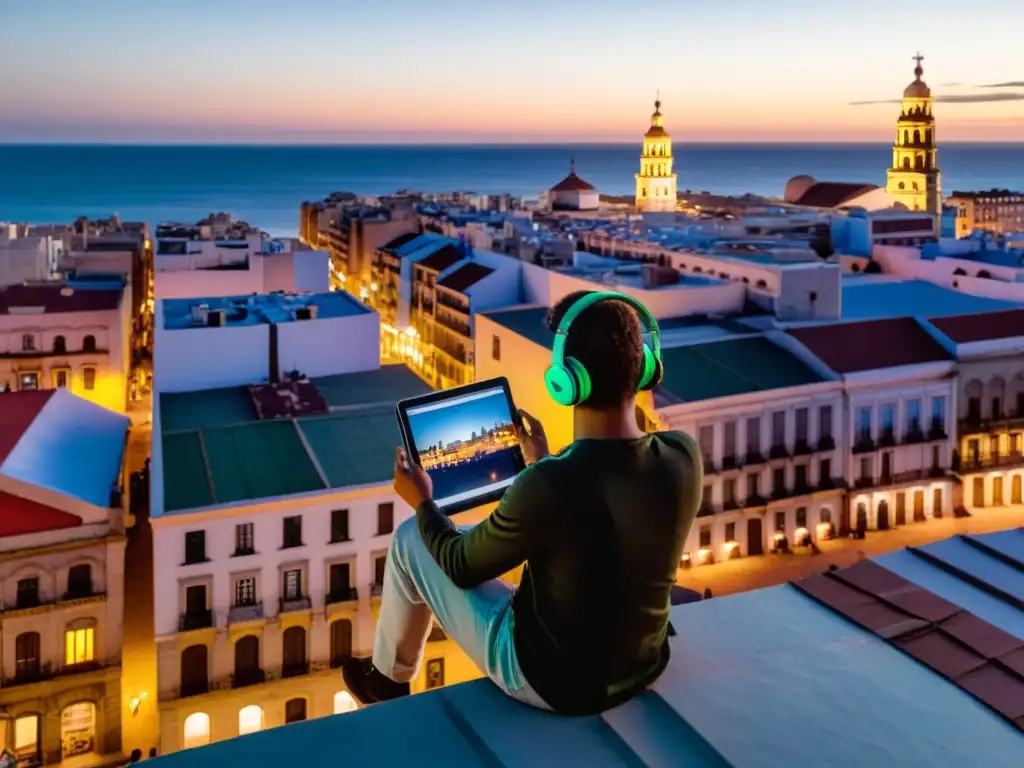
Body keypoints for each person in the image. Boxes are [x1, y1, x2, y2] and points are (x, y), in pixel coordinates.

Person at [343, 290, 703, 716]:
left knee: (410, 541)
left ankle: (385, 683)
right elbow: (599, 518)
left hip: (553, 682)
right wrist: (545, 461)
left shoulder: (549, 485)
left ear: (566, 382)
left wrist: (422, 502)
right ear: (644, 368)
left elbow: (459, 564)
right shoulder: (682, 455)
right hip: (642, 663)